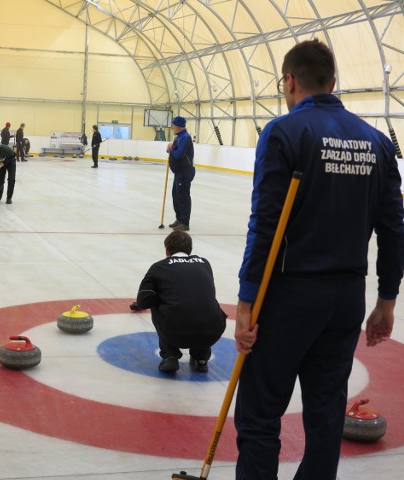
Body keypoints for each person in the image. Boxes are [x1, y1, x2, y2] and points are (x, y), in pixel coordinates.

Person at [234, 39, 404, 480]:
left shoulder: (285, 131)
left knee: (260, 411)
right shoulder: (378, 143)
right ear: (334, 82)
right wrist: (387, 299)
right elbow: (393, 228)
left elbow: (266, 225)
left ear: (289, 81)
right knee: (327, 412)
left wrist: (248, 300)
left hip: (289, 294)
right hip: (346, 298)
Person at [132, 230, 226, 373]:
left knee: (157, 303)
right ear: (190, 249)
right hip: (213, 331)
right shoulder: (204, 263)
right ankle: (201, 358)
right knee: (201, 302)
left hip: (175, 331)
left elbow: (144, 300)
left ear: (167, 251)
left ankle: (170, 355)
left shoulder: (159, 267)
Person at [166, 116, 195, 231]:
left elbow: (179, 154)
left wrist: (172, 149)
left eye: (173, 125)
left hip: (184, 172)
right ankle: (179, 218)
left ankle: (184, 222)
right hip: (178, 172)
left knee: (183, 197)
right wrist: (170, 148)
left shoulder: (185, 138)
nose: (172, 127)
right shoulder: (179, 137)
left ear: (178, 126)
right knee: (176, 196)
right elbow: (174, 151)